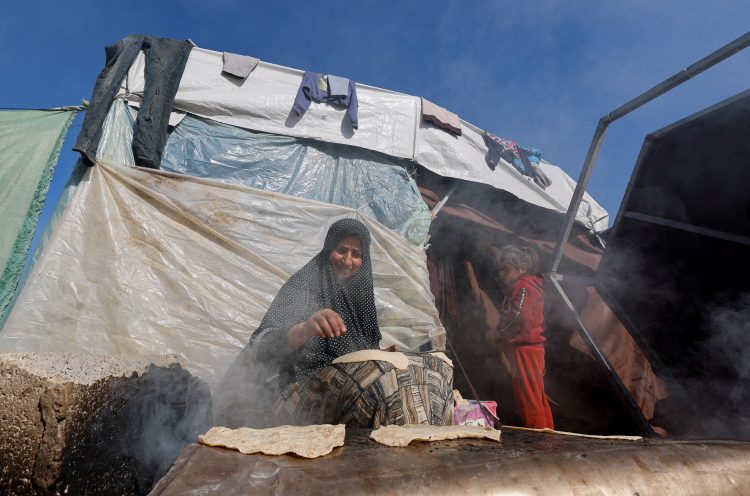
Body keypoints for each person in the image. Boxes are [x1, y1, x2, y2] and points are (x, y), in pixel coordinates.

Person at [250, 218, 381, 390]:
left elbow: (366, 347)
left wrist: (382, 357)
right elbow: (261, 344)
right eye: (341, 250)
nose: (348, 261)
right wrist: (304, 330)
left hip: (343, 396)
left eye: (356, 254)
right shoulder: (305, 283)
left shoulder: (360, 297)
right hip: (284, 395)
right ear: (328, 250)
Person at [485, 244, 554, 429]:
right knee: (537, 397)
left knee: (528, 399)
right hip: (531, 348)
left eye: (506, 269)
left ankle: (538, 441)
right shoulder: (528, 286)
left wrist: (498, 333)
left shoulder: (522, 286)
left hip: (526, 349)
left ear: (522, 267)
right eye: (500, 270)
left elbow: (518, 316)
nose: (502, 274)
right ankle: (548, 438)